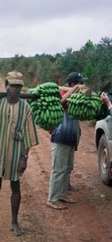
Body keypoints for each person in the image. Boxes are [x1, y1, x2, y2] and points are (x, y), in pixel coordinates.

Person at [0, 70, 39, 238]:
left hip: (15, 154)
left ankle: (14, 222)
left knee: (16, 188)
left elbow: (29, 135)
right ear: (6, 86)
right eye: (12, 85)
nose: (15, 89)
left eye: (18, 86)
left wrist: (24, 157)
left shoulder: (26, 108)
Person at [47, 72, 88, 210]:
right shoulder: (62, 93)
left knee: (67, 168)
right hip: (60, 137)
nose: (83, 85)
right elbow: (60, 102)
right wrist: (74, 90)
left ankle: (62, 193)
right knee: (58, 169)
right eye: (80, 83)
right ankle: (52, 198)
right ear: (72, 84)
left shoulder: (78, 96)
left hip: (71, 138)